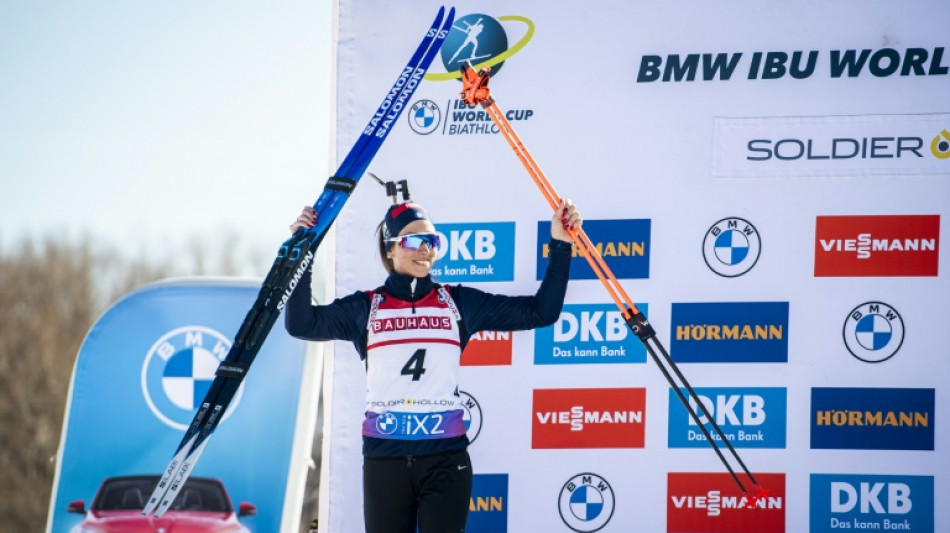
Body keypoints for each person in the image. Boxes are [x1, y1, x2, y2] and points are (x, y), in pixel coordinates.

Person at [284, 195, 581, 533]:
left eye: (432, 240)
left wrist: (560, 244)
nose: (425, 249)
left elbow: (541, 312)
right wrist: (301, 252)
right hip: (386, 460)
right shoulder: (366, 307)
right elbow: (301, 324)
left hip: (445, 460)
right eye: (414, 240)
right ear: (390, 249)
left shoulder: (457, 303)